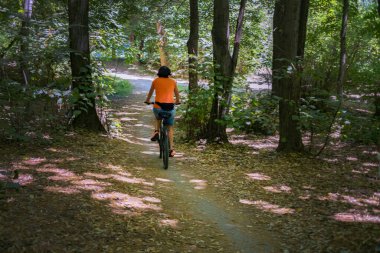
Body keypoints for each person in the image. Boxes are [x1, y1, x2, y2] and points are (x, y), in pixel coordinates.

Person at [145, 66, 180, 157]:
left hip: (158, 106)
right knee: (170, 127)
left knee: (158, 117)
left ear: (159, 73)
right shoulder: (173, 81)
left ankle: (156, 131)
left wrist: (148, 100)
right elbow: (177, 95)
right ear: (169, 73)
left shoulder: (156, 81)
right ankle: (171, 150)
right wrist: (177, 101)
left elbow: (150, 93)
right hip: (170, 108)